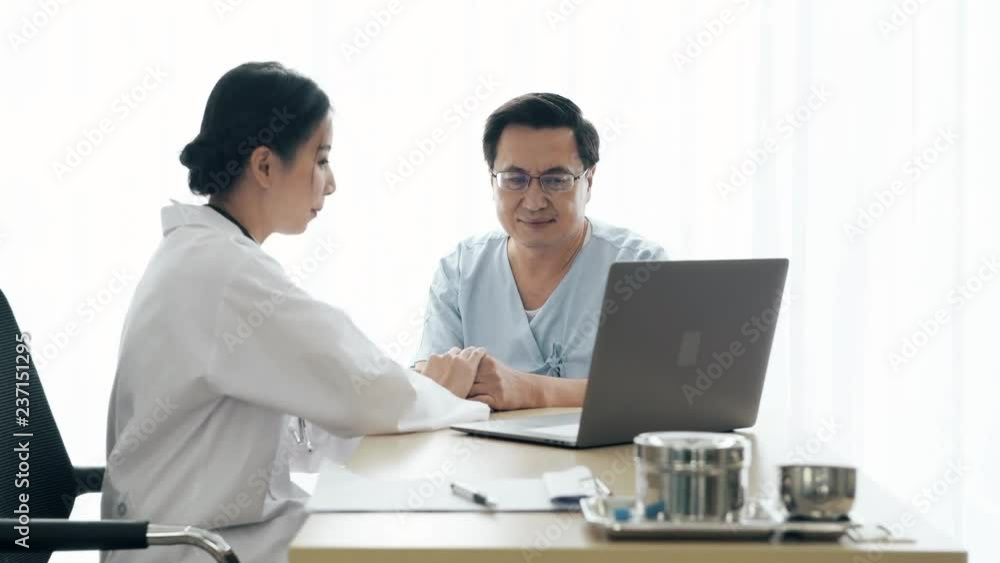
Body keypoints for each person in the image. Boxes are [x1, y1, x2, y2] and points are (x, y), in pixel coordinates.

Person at [101, 62, 489, 563]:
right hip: (194, 547)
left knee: (394, 523)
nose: (331, 184)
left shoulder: (204, 255)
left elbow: (325, 385)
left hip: (206, 532)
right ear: (264, 166)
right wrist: (443, 393)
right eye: (321, 159)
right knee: (419, 541)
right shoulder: (223, 272)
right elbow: (362, 389)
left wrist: (416, 394)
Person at [415, 93, 667, 411]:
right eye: (514, 179)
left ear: (589, 181)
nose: (534, 201)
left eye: (556, 180)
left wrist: (533, 391)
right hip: (486, 459)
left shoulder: (641, 266)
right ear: (491, 181)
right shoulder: (460, 270)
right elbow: (431, 390)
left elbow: (661, 390)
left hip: (609, 460)